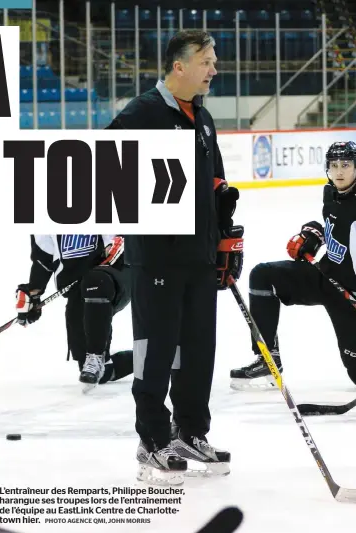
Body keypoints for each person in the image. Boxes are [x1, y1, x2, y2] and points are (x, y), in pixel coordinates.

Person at [107, 30, 242, 484]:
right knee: (156, 351)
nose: (214, 69)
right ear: (178, 66)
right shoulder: (142, 112)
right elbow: (105, 170)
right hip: (157, 262)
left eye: (214, 60)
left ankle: (189, 432)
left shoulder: (201, 118)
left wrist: (225, 241)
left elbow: (217, 186)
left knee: (198, 352)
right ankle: (151, 439)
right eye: (206, 61)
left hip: (200, 260)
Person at [230, 141, 356, 391]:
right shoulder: (330, 193)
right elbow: (335, 228)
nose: (339, 171)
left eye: (346, 165)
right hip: (325, 276)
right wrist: (314, 235)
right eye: (334, 166)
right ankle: (268, 358)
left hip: (352, 295)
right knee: (263, 275)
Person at [15, 235, 133, 392]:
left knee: (96, 281)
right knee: (100, 372)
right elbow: (43, 260)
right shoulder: (43, 219)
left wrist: (123, 242)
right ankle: (155, 355)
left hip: (118, 272)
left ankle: (95, 356)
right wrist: (33, 293)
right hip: (79, 288)